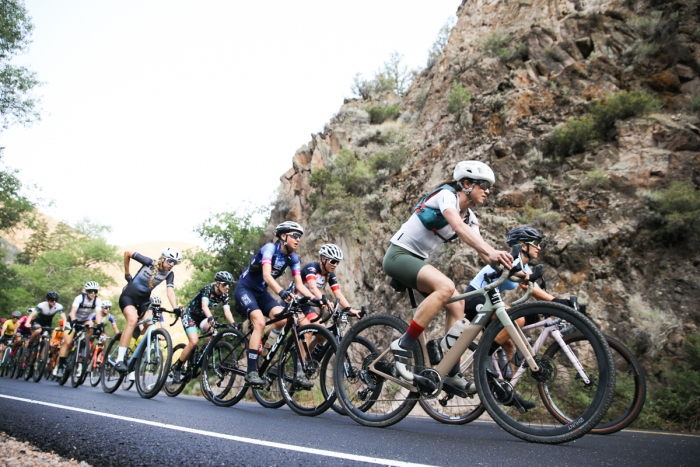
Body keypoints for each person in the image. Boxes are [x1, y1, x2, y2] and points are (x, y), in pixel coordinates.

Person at [383, 160, 512, 392]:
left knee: (457, 304)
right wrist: (491, 252)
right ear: (466, 183)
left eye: (488, 187)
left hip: (417, 260)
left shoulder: (470, 217)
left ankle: (451, 371)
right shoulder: (447, 196)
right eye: (483, 185)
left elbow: (482, 248)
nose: (488, 191)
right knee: (446, 286)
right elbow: (459, 229)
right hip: (399, 255)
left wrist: (508, 266)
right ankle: (404, 344)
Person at [234, 221, 316, 387]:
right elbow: (266, 276)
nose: (298, 239)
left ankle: (263, 344)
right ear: (283, 236)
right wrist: (281, 292)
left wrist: (317, 300)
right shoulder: (270, 249)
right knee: (260, 321)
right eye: (294, 235)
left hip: (261, 293)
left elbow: (300, 285)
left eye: (299, 236)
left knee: (282, 320)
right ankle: (251, 371)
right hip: (245, 288)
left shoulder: (293, 258)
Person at [114, 247, 181, 373]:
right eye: (170, 261)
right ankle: (119, 359)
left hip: (144, 301)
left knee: (149, 325)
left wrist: (175, 307)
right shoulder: (149, 262)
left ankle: (133, 356)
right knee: (133, 321)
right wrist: (127, 274)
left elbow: (170, 291)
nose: (172, 265)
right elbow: (127, 253)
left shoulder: (169, 274)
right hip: (128, 297)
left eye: (175, 263)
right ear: (163, 258)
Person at [172, 271, 236, 383]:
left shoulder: (225, 295)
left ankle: (201, 355)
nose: (227, 287)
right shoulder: (208, 289)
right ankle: (177, 368)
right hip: (190, 315)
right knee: (194, 342)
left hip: (202, 318)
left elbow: (227, 311)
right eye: (224, 284)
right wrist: (211, 318)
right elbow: (204, 306)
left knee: (213, 332)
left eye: (229, 284)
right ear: (217, 283)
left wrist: (234, 324)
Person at [298, 244, 361, 324]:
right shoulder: (312, 267)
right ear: (324, 259)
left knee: (321, 333)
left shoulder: (330, 275)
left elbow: (338, 294)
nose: (335, 265)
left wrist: (350, 310)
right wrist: (326, 301)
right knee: (307, 332)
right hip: (293, 300)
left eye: (337, 262)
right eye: (333, 261)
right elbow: (312, 288)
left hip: (305, 304)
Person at [55, 282, 102, 378]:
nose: (93, 293)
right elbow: (72, 312)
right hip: (73, 320)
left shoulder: (97, 300)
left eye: (95, 291)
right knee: (67, 343)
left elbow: (98, 314)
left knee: (91, 326)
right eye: (90, 291)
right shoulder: (80, 298)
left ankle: (83, 344)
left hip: (85, 320)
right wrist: (74, 321)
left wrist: (100, 324)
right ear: (86, 291)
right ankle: (60, 366)